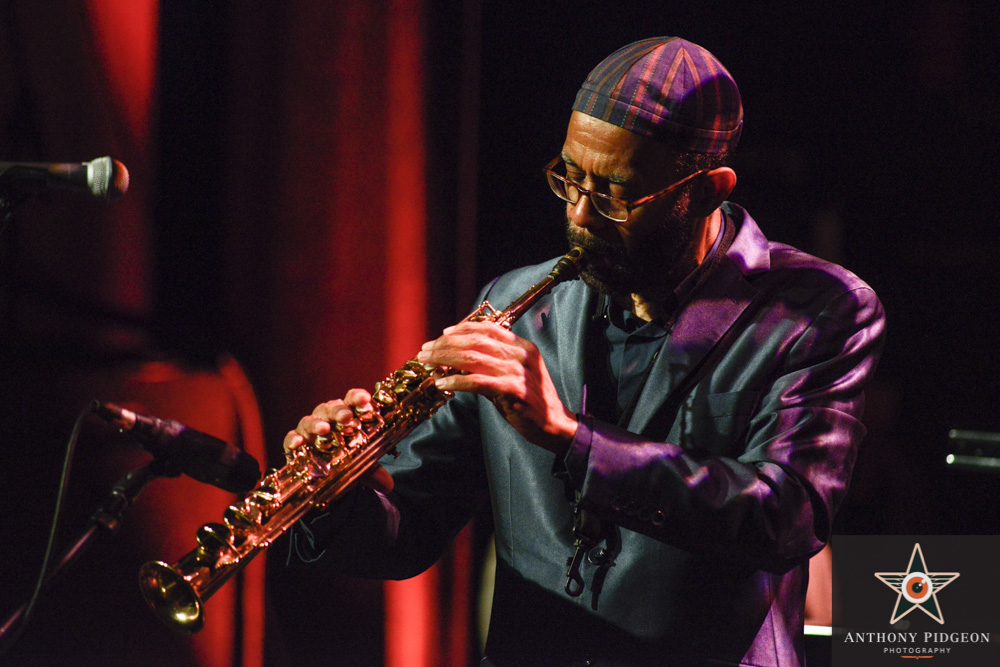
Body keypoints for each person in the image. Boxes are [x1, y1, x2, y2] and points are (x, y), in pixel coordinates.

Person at [284, 36, 885, 666]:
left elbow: (787, 518)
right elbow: (410, 529)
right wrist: (336, 494)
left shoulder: (821, 310)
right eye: (571, 178)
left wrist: (572, 438)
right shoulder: (514, 303)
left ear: (709, 190)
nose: (579, 216)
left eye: (615, 194)